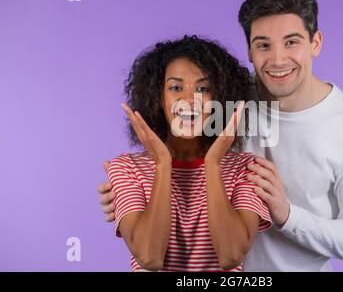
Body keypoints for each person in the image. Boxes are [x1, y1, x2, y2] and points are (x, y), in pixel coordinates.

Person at [98, 0, 343, 271]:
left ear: (316, 43)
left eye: (292, 42)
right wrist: (132, 193)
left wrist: (288, 216)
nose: (278, 59)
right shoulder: (230, 98)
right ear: (249, 50)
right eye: (263, 45)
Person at [106, 35, 271, 272]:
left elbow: (231, 255)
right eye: (175, 88)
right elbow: (149, 258)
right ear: (158, 98)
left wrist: (212, 164)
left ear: (219, 99)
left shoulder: (246, 168)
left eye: (203, 88)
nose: (189, 100)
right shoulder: (126, 168)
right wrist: (163, 163)